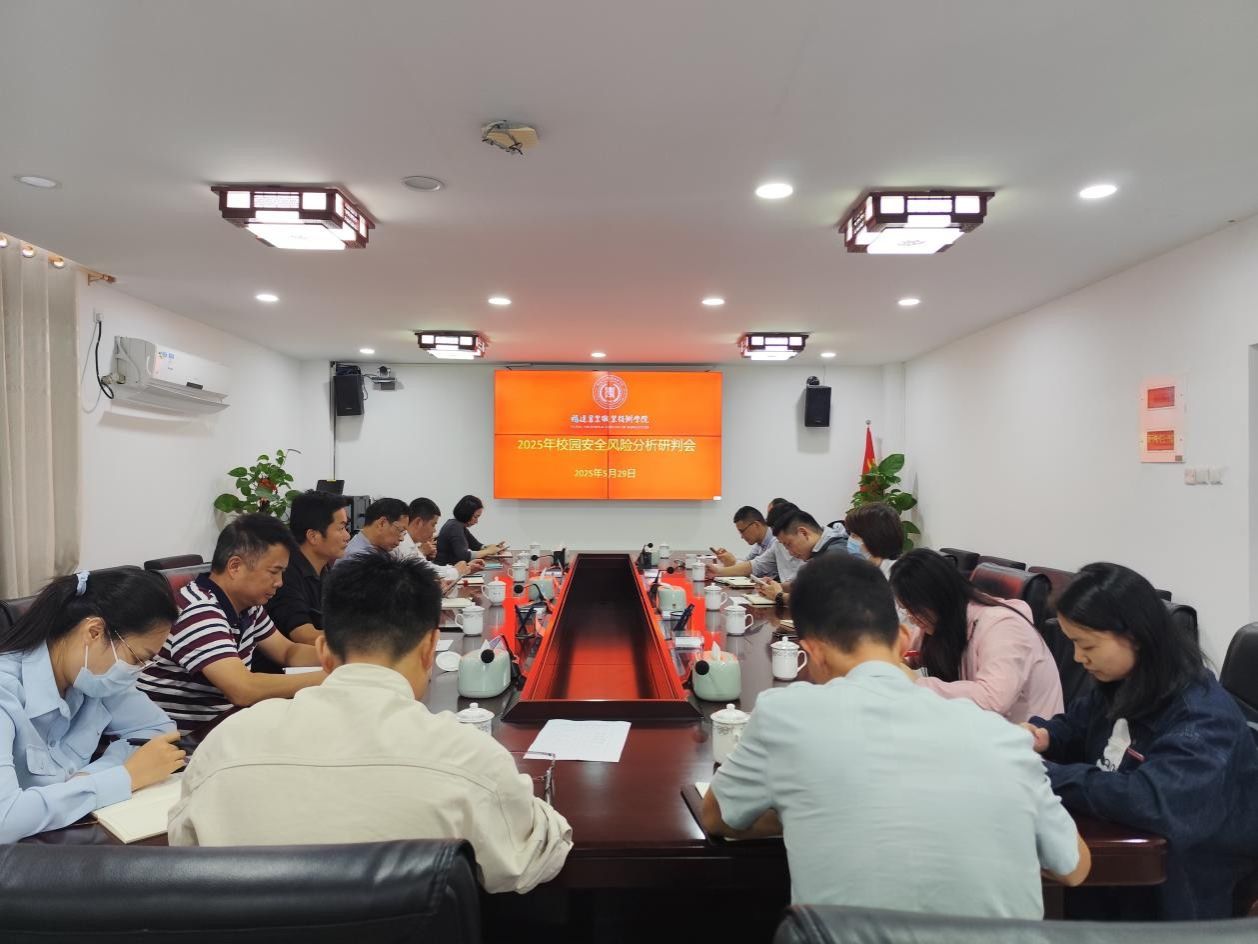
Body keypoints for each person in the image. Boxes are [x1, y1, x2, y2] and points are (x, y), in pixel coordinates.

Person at [702, 553, 1089, 918]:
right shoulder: (1005, 741)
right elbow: (1074, 867)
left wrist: (800, 807)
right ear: (904, 639)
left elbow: (716, 816)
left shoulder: (784, 713)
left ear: (813, 652)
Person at [169, 553, 573, 894]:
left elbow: (182, 856)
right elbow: (533, 855)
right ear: (430, 647)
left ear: (323, 652)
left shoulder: (225, 747)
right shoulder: (469, 759)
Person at [1024, 562, 1258, 921]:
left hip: (1182, 889)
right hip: (1115, 861)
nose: (1077, 657)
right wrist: (1044, 736)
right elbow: (1077, 726)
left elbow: (1149, 801)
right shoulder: (1123, 681)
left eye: (1086, 644)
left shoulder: (1202, 718)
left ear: (1134, 636)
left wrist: (1044, 774)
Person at [0, 567, 186, 842]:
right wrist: (125, 777)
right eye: (136, 658)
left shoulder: (91, 678)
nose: (135, 672)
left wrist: (90, 777)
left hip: (67, 838)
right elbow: (5, 819)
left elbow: (161, 732)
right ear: (94, 632)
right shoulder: (7, 690)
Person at [138, 515, 325, 733]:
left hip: (222, 726)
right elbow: (243, 689)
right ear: (235, 566)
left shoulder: (249, 605)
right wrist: (328, 677)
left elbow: (287, 652)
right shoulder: (199, 610)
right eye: (274, 572)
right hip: (181, 740)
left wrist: (344, 656)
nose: (280, 582)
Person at [889, 549, 1062, 723]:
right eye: (906, 610)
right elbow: (908, 647)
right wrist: (889, 653)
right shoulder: (943, 620)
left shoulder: (1003, 625)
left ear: (939, 597)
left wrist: (917, 683)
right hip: (979, 726)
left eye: (915, 609)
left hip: (1030, 732)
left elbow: (992, 700)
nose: (912, 617)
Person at [266, 490, 350, 646]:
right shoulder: (284, 574)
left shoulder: (325, 571)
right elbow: (304, 635)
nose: (347, 536)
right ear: (313, 536)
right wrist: (364, 640)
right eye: (341, 528)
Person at [751, 507, 849, 604]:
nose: (790, 552)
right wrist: (775, 587)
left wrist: (779, 596)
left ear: (804, 533)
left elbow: (820, 600)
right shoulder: (818, 549)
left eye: (788, 544)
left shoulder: (837, 553)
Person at [706, 501, 809, 584]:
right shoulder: (776, 544)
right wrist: (718, 571)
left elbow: (798, 585)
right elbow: (754, 565)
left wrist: (780, 591)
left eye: (742, 531)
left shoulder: (806, 551)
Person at [395, 497, 484, 586]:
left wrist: (465, 568)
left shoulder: (411, 543)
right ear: (419, 522)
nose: (434, 530)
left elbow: (428, 567)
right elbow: (426, 576)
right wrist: (457, 571)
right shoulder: (402, 544)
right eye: (433, 524)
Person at [435, 495, 507, 566]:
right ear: (466, 513)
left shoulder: (458, 525)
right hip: (446, 569)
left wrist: (493, 547)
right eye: (475, 517)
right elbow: (464, 555)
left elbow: (476, 546)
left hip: (453, 568)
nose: (476, 521)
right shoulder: (454, 527)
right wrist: (488, 551)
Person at [335, 497, 408, 566]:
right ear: (382, 523)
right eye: (401, 530)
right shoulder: (357, 559)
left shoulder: (381, 552)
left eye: (404, 533)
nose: (402, 538)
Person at [842, 501, 903, 577]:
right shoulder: (867, 571)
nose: (850, 540)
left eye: (855, 535)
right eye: (850, 534)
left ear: (874, 538)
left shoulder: (898, 577)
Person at [710, 506, 775, 568]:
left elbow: (758, 568)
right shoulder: (760, 543)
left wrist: (733, 562)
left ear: (756, 525)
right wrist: (728, 559)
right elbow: (747, 562)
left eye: (742, 531)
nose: (742, 537)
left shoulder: (775, 542)